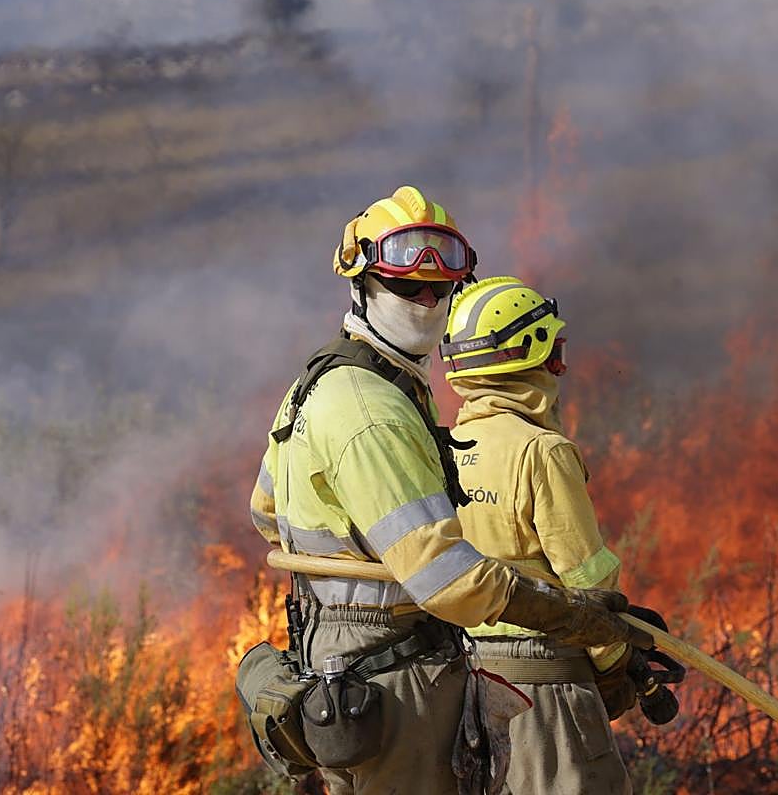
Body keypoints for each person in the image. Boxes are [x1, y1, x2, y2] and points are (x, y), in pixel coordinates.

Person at [246, 188, 652, 795]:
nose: (427, 301)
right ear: (360, 281)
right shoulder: (373, 410)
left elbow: (266, 512)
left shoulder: (324, 382)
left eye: (441, 287)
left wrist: (359, 555)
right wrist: (575, 617)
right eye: (408, 287)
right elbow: (446, 580)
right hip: (392, 665)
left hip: (342, 658)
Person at [439, 276, 638, 795]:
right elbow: (588, 581)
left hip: (461, 683)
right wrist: (616, 663)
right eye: (556, 353)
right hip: (543, 688)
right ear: (532, 356)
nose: (558, 369)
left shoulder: (441, 447)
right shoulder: (542, 451)